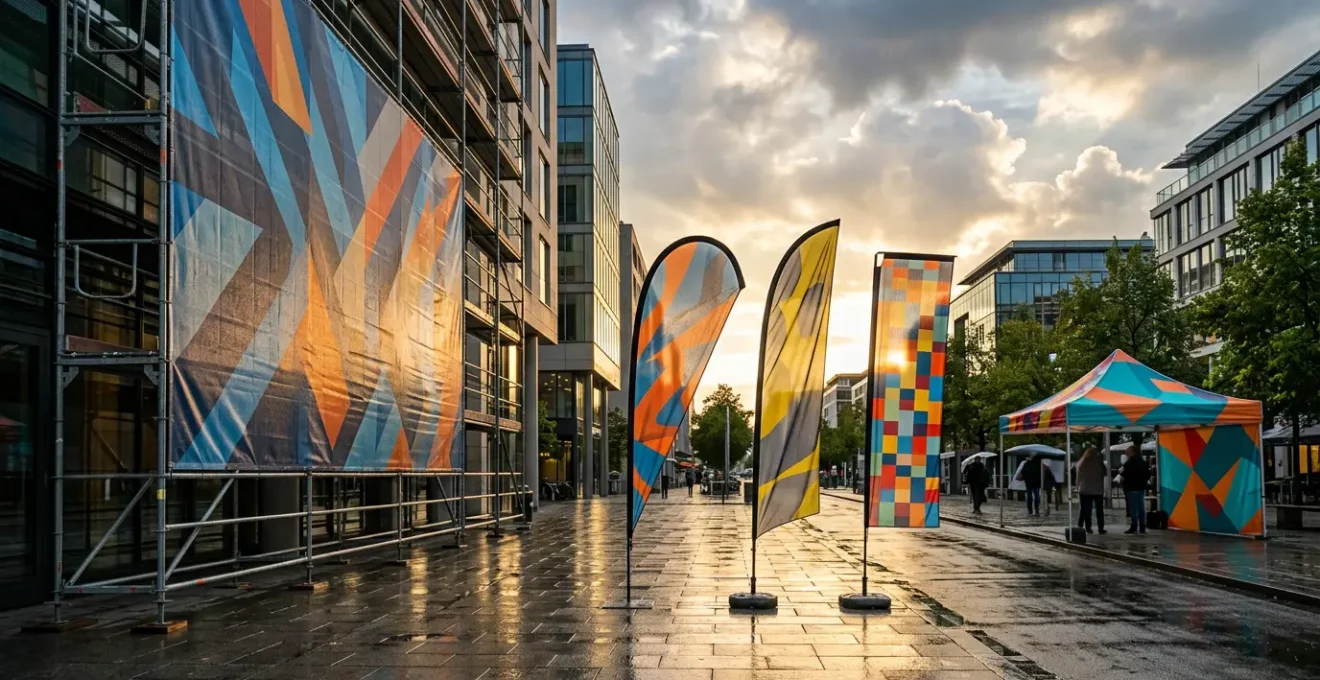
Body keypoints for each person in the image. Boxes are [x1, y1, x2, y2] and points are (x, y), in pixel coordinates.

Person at [1075, 446, 1107, 534]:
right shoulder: (1099, 462)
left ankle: (1088, 527)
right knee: (1099, 510)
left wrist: (1077, 486)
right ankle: (1101, 528)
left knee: (1086, 510)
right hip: (1097, 489)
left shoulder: (1081, 463)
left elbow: (1078, 476)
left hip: (1084, 489)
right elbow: (1104, 472)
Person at [1119, 444, 1150, 534]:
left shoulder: (1129, 463)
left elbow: (1125, 474)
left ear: (1132, 452)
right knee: (1141, 508)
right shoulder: (1143, 462)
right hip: (1140, 488)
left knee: (1133, 509)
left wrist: (1122, 474)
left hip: (1131, 488)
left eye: (1128, 451)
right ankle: (1142, 527)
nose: (1126, 453)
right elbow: (1147, 475)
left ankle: (1134, 526)